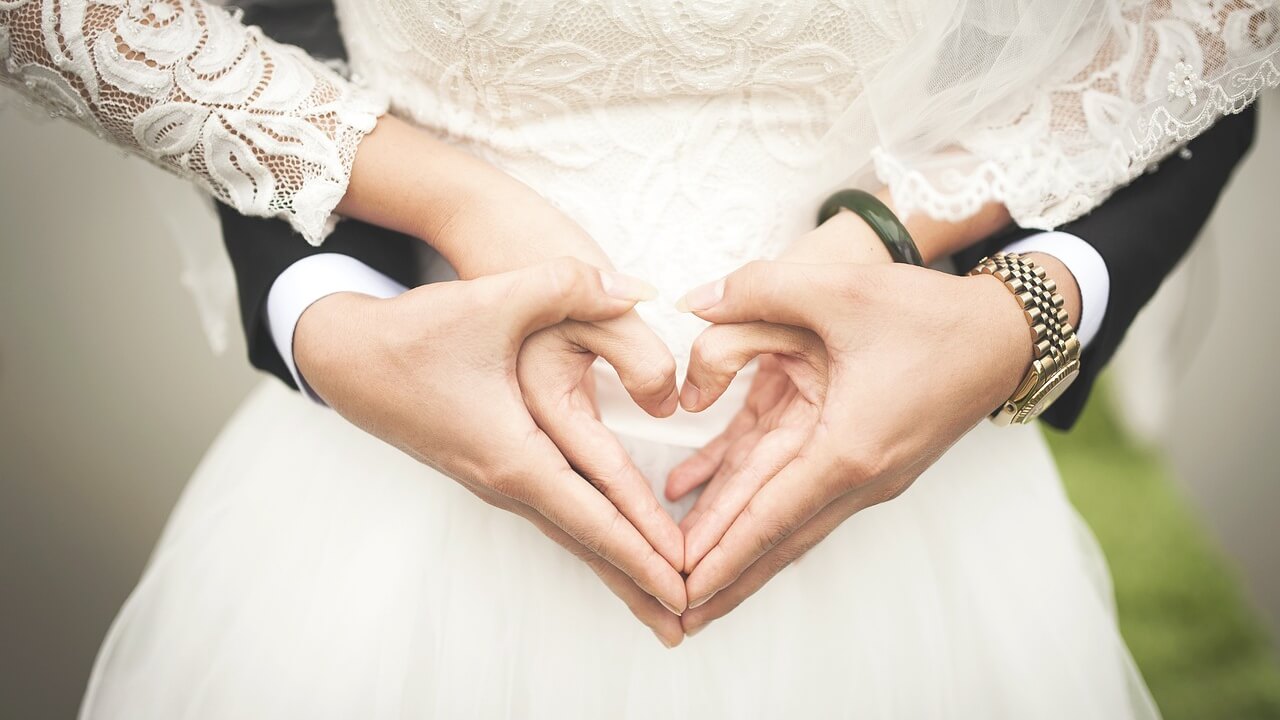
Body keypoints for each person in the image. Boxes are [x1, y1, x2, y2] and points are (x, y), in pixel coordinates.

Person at [1, 1, 1275, 717]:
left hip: (894, 509)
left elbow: (1201, 32)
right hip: (400, 510)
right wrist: (400, 248)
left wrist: (985, 300)